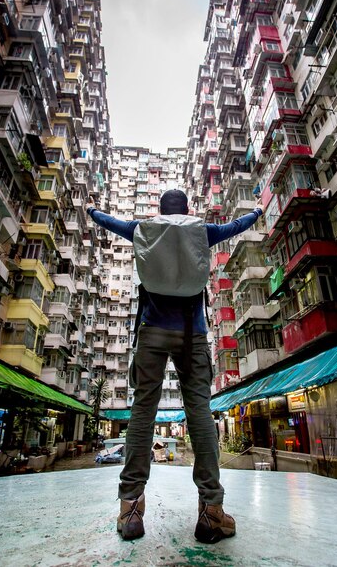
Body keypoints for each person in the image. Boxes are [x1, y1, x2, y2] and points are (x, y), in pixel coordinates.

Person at [86, 189, 264, 543]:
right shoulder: (201, 230)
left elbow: (111, 222)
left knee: (141, 413)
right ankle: (212, 512)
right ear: (188, 210)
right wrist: (257, 212)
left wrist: (92, 210)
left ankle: (131, 509)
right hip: (192, 334)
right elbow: (235, 225)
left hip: (151, 333)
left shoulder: (143, 228)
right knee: (199, 412)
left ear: (158, 211)